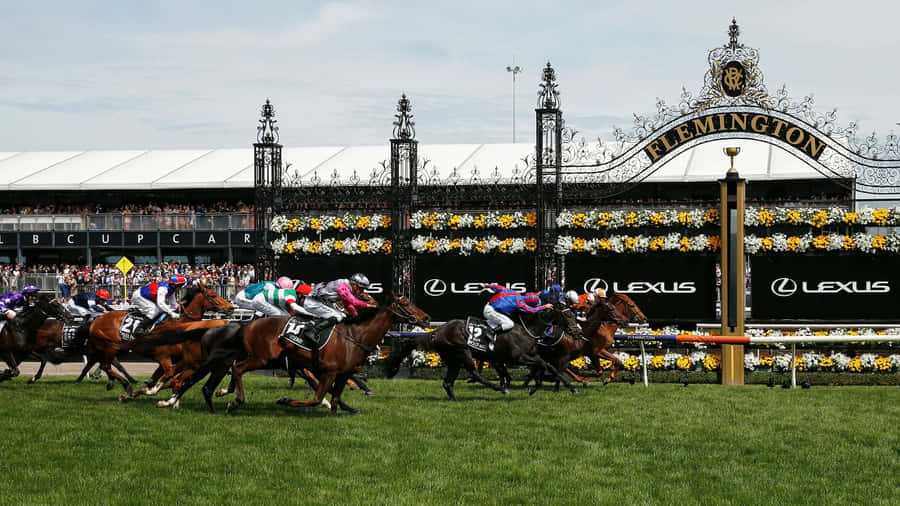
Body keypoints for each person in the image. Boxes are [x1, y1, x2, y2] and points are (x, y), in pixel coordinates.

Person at [302, 273, 375, 342]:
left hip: (320, 302)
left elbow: (347, 304)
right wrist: (369, 305)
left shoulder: (348, 287)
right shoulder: (342, 285)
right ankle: (312, 331)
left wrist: (355, 314)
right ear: (354, 285)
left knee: (342, 315)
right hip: (312, 303)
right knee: (338, 316)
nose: (362, 291)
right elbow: (353, 301)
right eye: (361, 288)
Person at [481, 283, 552, 349]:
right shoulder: (521, 303)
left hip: (488, 306)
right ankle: (491, 332)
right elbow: (532, 310)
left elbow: (498, 287)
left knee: (503, 320)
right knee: (509, 324)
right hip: (490, 311)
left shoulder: (514, 292)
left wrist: (488, 285)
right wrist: (544, 306)